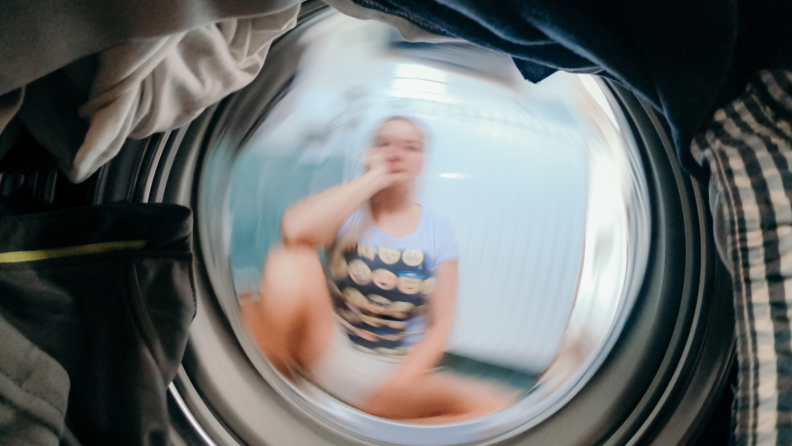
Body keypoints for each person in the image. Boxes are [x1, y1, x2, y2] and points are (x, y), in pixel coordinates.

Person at [240, 116, 515, 423]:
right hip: (329, 351)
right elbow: (293, 230)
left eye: (410, 147)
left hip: (393, 373)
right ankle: (266, 400)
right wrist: (374, 179)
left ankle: (373, 426)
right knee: (287, 262)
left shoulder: (439, 232)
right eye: (384, 144)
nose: (396, 152)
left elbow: (441, 325)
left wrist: (399, 384)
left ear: (423, 161)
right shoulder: (348, 212)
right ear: (369, 153)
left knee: (496, 407)